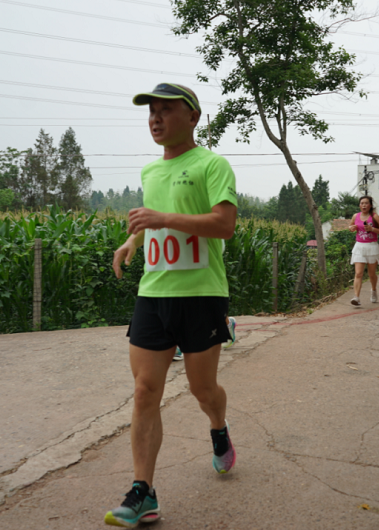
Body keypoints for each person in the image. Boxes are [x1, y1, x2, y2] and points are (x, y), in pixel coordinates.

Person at [109, 83, 237, 528]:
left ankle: (218, 429)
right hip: (153, 294)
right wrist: (132, 240)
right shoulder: (151, 171)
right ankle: (143, 491)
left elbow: (224, 225)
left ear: (194, 118)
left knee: (204, 391)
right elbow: (154, 217)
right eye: (151, 113)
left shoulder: (211, 164)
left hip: (201, 295)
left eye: (166, 111)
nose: (156, 119)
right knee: (145, 391)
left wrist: (162, 219)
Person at [349, 196, 379, 305]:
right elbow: (351, 225)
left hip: (372, 246)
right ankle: (356, 297)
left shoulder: (375, 217)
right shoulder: (356, 216)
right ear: (359, 205)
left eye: (366, 203)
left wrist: (372, 229)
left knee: (371, 274)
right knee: (358, 273)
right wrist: (351, 228)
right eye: (362, 203)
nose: (364, 205)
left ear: (370, 205)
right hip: (359, 246)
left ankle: (373, 290)